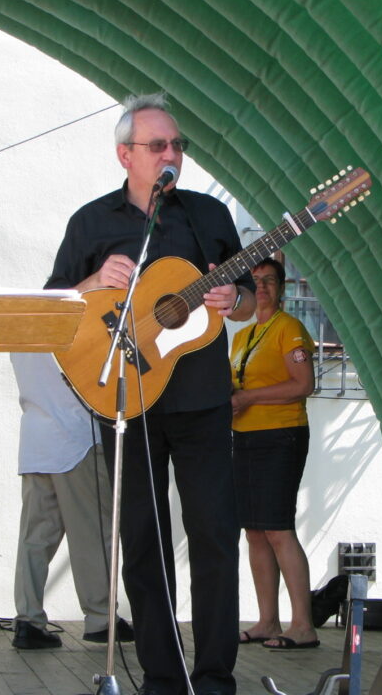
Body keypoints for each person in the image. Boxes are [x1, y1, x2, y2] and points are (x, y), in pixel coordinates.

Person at [44, 93, 255, 695]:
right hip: (125, 401)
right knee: (143, 540)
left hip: (203, 399)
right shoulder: (91, 222)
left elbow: (246, 299)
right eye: (158, 145)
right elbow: (55, 305)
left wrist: (233, 299)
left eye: (177, 145)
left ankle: (214, 678)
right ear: (125, 155)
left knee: (216, 535)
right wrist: (92, 281)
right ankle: (163, 678)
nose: (171, 155)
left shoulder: (209, 216)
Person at [9, 351, 134, 649]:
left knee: (35, 539)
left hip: (36, 437)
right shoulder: (75, 321)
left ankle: (28, 620)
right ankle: (101, 618)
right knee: (93, 534)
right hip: (76, 435)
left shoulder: (20, 331)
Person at [229, 257, 318, 650]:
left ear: (282, 288)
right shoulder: (241, 336)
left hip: (282, 435)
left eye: (269, 280)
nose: (261, 286)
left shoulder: (289, 329)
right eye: (255, 280)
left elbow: (303, 384)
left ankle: (303, 626)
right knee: (254, 531)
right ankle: (267, 621)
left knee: (278, 529)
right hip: (245, 437)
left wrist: (248, 397)